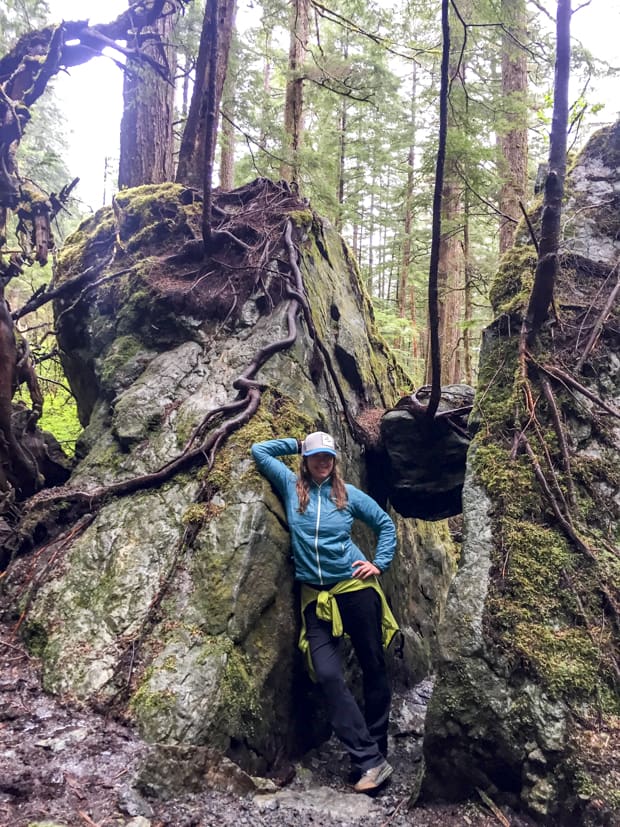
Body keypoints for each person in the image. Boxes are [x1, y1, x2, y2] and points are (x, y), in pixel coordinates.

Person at [251, 430, 399, 793]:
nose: (322, 462)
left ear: (335, 461)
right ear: (306, 459)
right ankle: (372, 760)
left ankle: (373, 753)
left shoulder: (347, 495)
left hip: (353, 588)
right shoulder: (290, 485)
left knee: (373, 666)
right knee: (329, 674)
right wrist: (298, 443)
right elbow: (260, 449)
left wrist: (377, 563)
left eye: (328, 457)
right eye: (316, 456)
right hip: (315, 597)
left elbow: (384, 524)